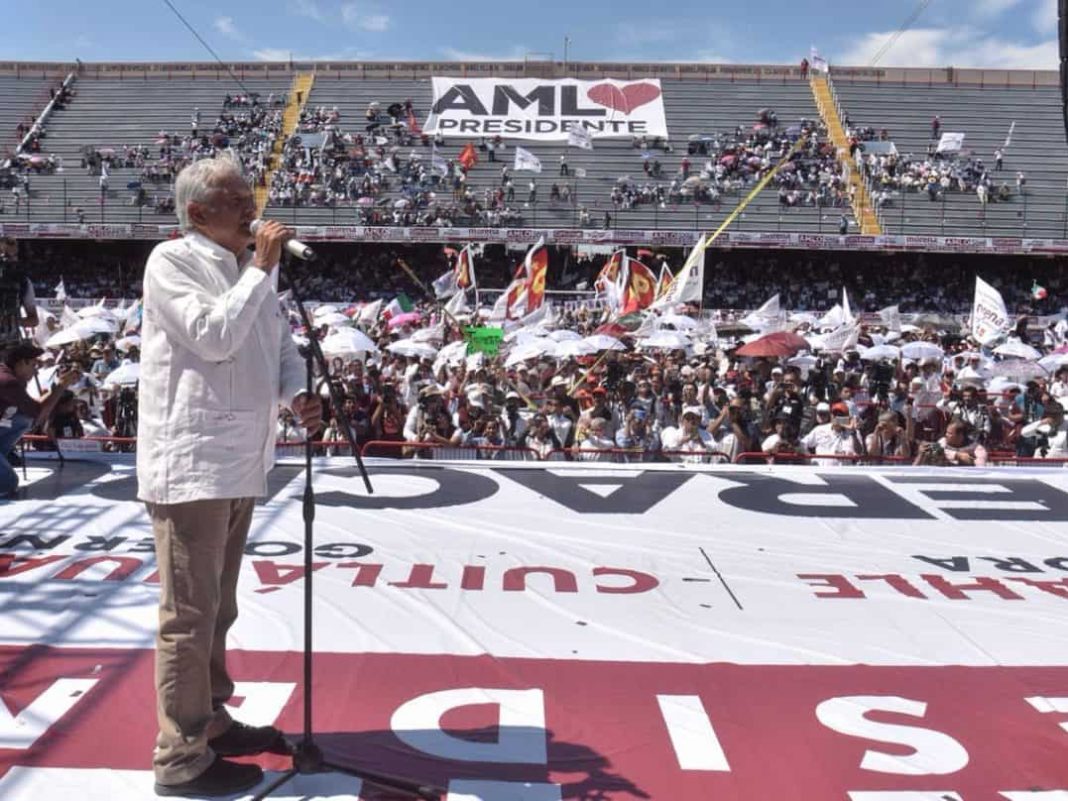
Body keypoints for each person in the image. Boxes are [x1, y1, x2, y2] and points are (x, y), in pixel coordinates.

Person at [138, 154, 322, 797]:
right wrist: (264, 268)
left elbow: (278, 348)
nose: (252, 206)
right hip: (191, 466)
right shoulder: (173, 262)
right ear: (197, 214)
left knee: (218, 610)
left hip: (242, 462)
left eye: (251, 194)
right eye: (237, 198)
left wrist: (298, 394)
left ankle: (210, 721)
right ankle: (180, 757)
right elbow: (213, 336)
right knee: (188, 616)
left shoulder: (248, 269)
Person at [0, 343, 81, 498]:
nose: (36, 369)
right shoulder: (8, 382)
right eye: (33, 364)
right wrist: (61, 386)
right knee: (8, 483)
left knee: (23, 419)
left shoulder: (9, 376)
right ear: (22, 363)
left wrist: (55, 388)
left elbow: (34, 409)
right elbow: (39, 414)